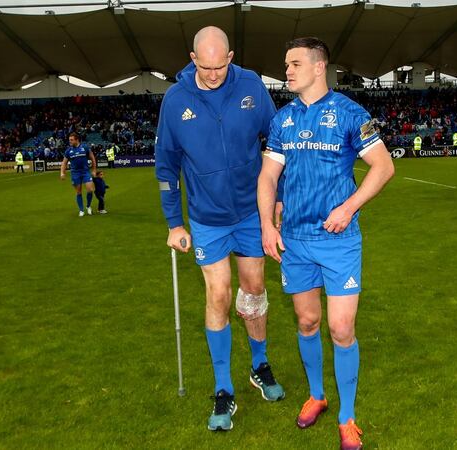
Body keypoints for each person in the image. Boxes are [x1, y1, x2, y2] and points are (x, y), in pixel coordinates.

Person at [257, 37, 394, 450]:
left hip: (338, 241)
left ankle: (347, 416)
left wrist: (349, 207)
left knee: (340, 327)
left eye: (294, 63)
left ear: (319, 67)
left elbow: (383, 166)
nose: (287, 70)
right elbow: (267, 177)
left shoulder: (351, 113)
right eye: (286, 64)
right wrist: (267, 223)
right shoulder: (282, 120)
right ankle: (317, 395)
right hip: (295, 240)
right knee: (307, 322)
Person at [154, 26, 285, 433]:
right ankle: (223, 387)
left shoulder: (250, 85)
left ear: (231, 57)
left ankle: (259, 366)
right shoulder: (175, 101)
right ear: (193, 60)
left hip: (250, 212)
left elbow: (277, 137)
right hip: (207, 219)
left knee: (254, 291)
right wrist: (174, 222)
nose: (213, 74)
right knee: (219, 294)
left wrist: (278, 196)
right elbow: (165, 166)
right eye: (205, 66)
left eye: (220, 65)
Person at [60, 132, 97, 217]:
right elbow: (64, 163)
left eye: (71, 140)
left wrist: (94, 170)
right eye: (69, 140)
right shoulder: (68, 151)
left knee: (90, 189)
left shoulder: (85, 147)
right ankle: (81, 210)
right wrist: (62, 173)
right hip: (75, 173)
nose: (70, 141)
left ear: (77, 140)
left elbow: (92, 158)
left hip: (85, 172)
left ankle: (88, 206)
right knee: (79, 192)